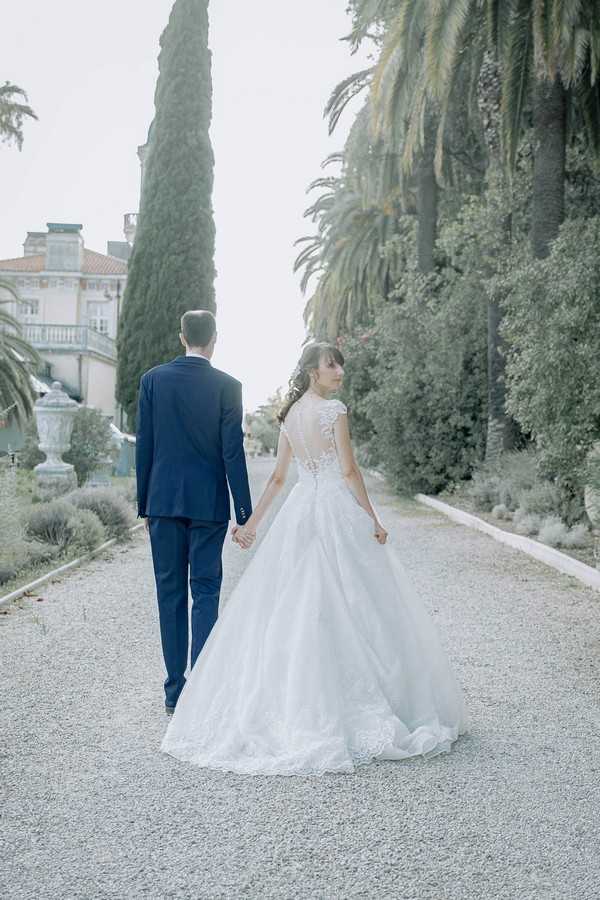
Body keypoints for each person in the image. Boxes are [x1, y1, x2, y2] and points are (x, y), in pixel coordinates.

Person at [160, 341, 468, 775]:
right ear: (312, 370)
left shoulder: (289, 416)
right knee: (349, 600)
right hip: (332, 509)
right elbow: (348, 471)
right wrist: (373, 518)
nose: (339, 370)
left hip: (302, 510)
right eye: (331, 364)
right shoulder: (333, 411)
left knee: (297, 603)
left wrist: (252, 524)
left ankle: (294, 702)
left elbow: (282, 479)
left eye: (339, 363)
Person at [136, 310, 252, 716]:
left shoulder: (152, 381)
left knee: (169, 596)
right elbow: (232, 453)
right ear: (214, 339)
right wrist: (244, 511)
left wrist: (144, 504)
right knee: (205, 592)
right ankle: (201, 691)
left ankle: (174, 693)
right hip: (209, 505)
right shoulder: (228, 386)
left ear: (181, 336)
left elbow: (145, 446)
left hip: (163, 505)